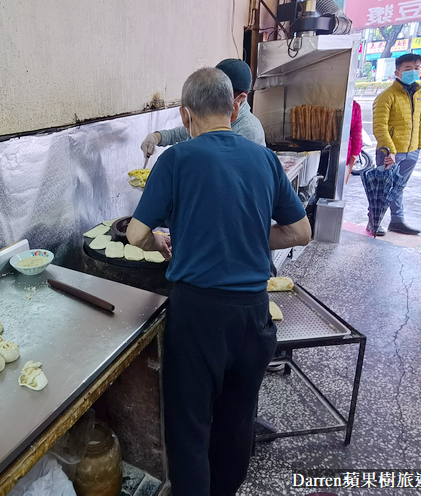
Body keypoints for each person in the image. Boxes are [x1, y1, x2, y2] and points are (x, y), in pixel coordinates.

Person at [126, 68, 311, 496]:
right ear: (233, 107)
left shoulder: (176, 159)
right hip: (252, 315)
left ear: (185, 115)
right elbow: (301, 232)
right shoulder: (264, 158)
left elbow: (135, 235)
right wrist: (244, 231)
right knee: (236, 417)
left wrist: (160, 239)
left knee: (189, 426)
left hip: (198, 317)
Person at [140, 59, 265, 163]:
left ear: (241, 99)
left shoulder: (248, 130)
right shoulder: (213, 113)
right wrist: (157, 137)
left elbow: (221, 169)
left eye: (223, 93)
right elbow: (186, 132)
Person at [371, 53, 421, 236]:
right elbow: (379, 127)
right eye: (408, 69)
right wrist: (389, 151)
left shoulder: (419, 94)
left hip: (411, 151)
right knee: (381, 189)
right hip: (391, 152)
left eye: (416, 68)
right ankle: (374, 221)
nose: (413, 72)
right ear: (397, 72)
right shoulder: (386, 96)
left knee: (399, 188)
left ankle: (397, 221)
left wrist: (419, 146)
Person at [345, 100, 363, 185]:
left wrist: (355, 152)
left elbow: (357, 133)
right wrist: (355, 153)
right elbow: (357, 133)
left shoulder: (355, 106)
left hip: (344, 152)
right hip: (344, 152)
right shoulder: (354, 106)